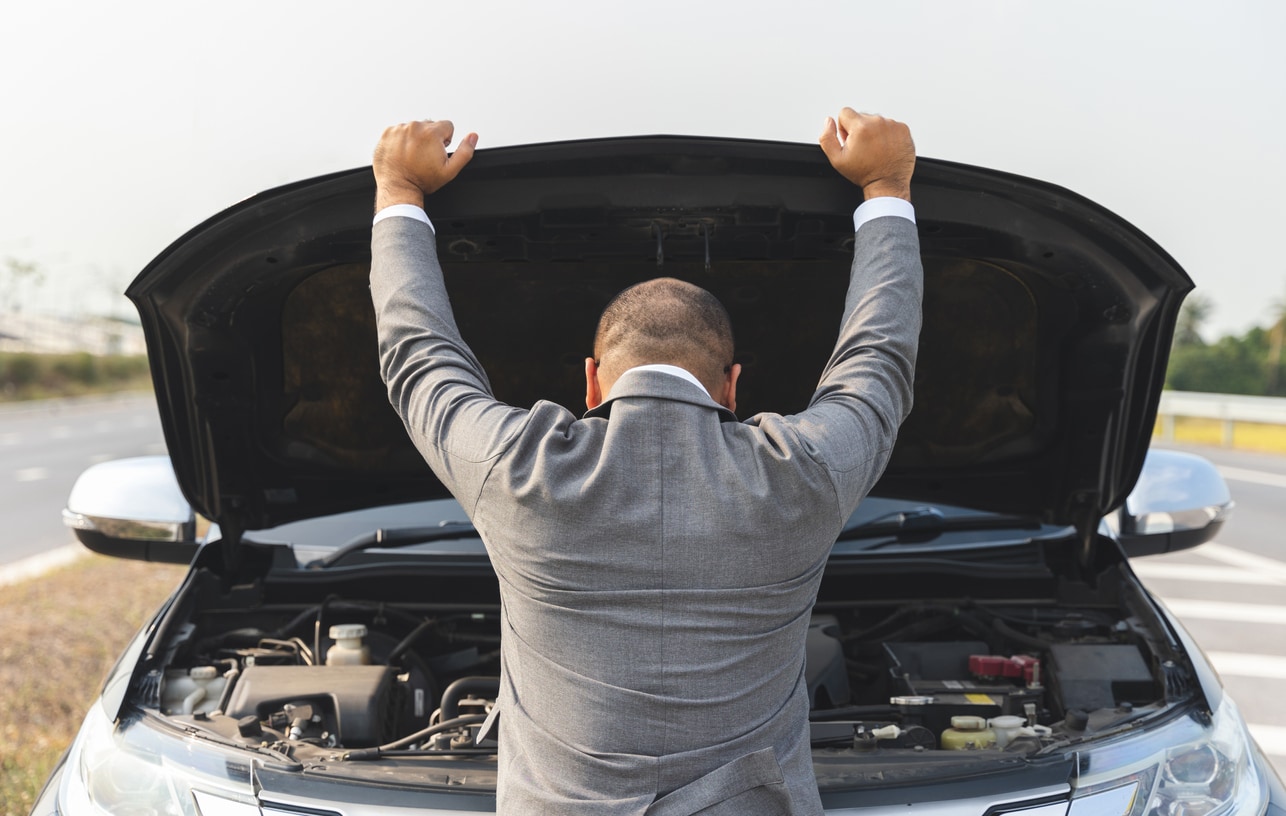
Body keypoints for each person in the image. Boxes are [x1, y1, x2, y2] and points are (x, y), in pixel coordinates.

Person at [369, 108, 922, 816]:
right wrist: (885, 185)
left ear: (592, 380)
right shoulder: (800, 475)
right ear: (732, 385)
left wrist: (398, 191)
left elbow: (418, 363)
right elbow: (878, 366)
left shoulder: (517, 471)